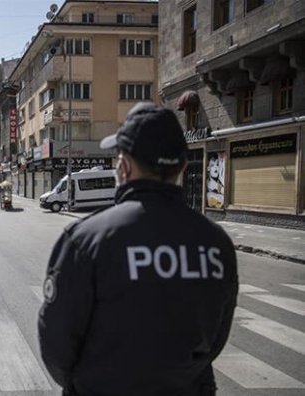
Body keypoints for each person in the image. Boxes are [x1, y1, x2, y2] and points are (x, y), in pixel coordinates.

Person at [38, 103, 238, 396]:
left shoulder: (85, 240)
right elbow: (217, 337)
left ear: (124, 166)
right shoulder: (217, 243)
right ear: (182, 167)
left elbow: (57, 343)